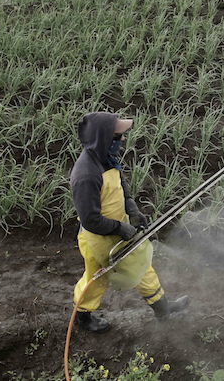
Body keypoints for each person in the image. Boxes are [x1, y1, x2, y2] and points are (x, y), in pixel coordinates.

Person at [70, 112, 190, 333]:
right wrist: (119, 228)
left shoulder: (106, 159)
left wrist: (133, 210)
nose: (123, 139)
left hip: (118, 230)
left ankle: (163, 309)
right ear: (104, 138)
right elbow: (90, 219)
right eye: (118, 136)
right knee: (97, 280)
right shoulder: (86, 175)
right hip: (100, 238)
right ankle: (83, 318)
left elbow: (121, 187)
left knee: (142, 266)